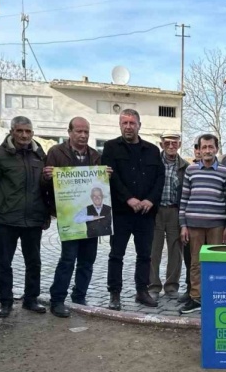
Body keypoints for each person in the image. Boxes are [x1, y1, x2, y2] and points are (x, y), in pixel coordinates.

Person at [0, 116, 50, 318]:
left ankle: (31, 299)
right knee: (4, 262)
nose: (24, 135)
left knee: (34, 262)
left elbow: (45, 188)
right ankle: (5, 302)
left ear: (33, 133)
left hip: (33, 219)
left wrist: (46, 212)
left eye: (28, 131)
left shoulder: (39, 155)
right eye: (20, 131)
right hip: (5, 219)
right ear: (12, 132)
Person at [102, 109, 165, 311]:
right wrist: (128, 198)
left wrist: (150, 200)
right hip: (121, 213)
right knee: (116, 254)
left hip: (146, 214)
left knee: (145, 255)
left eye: (132, 123)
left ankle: (142, 291)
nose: (128, 126)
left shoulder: (152, 150)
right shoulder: (111, 147)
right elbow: (111, 178)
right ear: (120, 125)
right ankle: (114, 293)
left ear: (139, 125)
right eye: (124, 123)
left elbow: (159, 179)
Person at [42, 117, 104, 318]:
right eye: (79, 131)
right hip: (69, 215)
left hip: (93, 217)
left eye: (86, 131)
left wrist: (105, 177)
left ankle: (79, 296)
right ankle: (57, 299)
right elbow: (44, 185)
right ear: (69, 132)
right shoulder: (55, 153)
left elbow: (99, 186)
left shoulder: (94, 155)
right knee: (68, 259)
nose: (83, 135)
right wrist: (46, 177)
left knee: (88, 259)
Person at [179, 133, 226, 314]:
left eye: (211, 147)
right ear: (199, 150)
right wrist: (183, 225)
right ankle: (196, 298)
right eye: (204, 147)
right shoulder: (191, 170)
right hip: (194, 225)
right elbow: (184, 199)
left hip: (217, 224)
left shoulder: (225, 172)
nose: (207, 150)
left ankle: (215, 295)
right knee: (195, 263)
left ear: (216, 148)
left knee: (217, 262)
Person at [148, 132, 189, 300]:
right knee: (153, 250)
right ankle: (153, 285)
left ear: (179, 144)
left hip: (174, 210)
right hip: (155, 211)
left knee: (175, 250)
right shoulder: (153, 163)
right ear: (161, 144)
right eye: (167, 143)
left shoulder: (185, 166)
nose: (171, 146)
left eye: (174, 143)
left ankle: (172, 286)